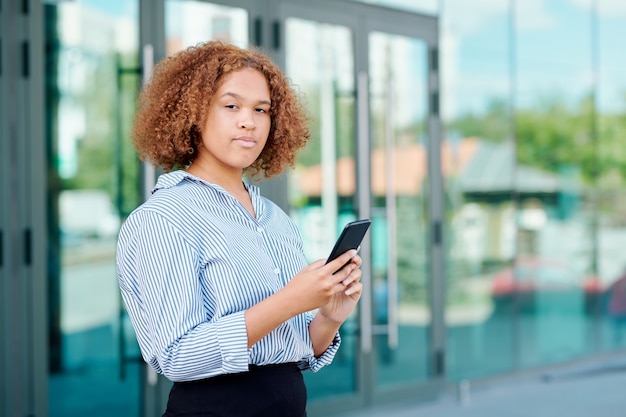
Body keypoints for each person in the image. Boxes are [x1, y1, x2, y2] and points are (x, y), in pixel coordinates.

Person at [116, 40, 363, 417]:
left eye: (261, 109)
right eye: (231, 106)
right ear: (194, 114)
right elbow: (176, 356)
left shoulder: (274, 219)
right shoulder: (165, 218)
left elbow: (292, 352)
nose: (249, 121)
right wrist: (288, 302)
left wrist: (329, 315)